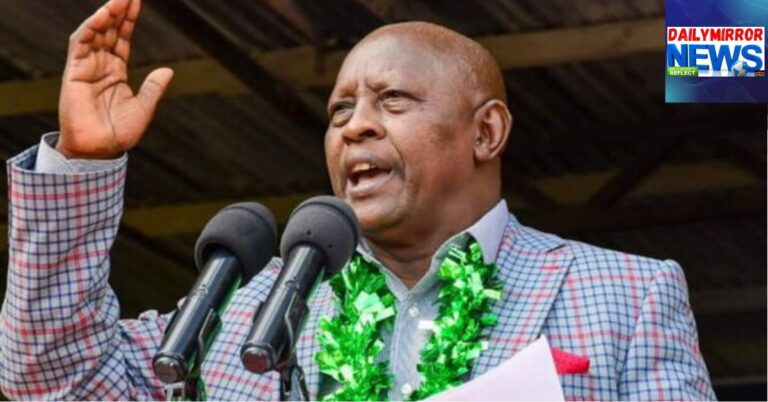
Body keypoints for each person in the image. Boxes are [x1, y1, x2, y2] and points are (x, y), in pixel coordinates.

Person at [0, 0, 715, 400]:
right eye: (339, 112)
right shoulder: (239, 315)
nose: (356, 126)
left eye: (392, 100)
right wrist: (81, 162)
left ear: (487, 132)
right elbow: (55, 378)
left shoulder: (629, 294)